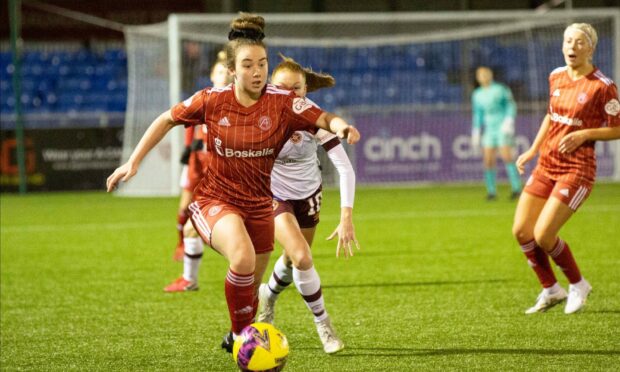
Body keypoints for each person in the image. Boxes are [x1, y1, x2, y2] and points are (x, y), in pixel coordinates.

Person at [106, 12, 360, 353]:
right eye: (247, 65)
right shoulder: (212, 100)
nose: (256, 72)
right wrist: (133, 162)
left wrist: (341, 127)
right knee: (241, 258)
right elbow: (166, 119)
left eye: (262, 64)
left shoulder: (282, 103)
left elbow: (322, 116)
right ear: (233, 69)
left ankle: (237, 332)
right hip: (216, 201)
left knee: (251, 287)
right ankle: (245, 340)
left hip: (259, 206)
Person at [511, 23, 620, 315]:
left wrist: (585, 134)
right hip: (547, 164)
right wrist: (533, 149)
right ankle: (551, 289)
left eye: (580, 42)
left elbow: (618, 128)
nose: (572, 46)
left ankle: (578, 284)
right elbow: (551, 115)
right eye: (568, 41)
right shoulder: (555, 76)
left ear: (591, 48)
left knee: (544, 235)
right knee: (522, 231)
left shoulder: (602, 85)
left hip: (577, 170)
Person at [255, 55, 360, 354]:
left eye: (296, 88)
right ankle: (324, 325)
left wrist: (346, 217)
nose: (289, 94)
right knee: (302, 257)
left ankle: (269, 299)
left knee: (292, 259)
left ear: (305, 91)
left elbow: (345, 168)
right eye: (281, 88)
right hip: (275, 197)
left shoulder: (313, 121)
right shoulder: (261, 119)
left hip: (309, 196)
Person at [172, 51, 231, 262]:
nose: (223, 75)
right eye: (219, 71)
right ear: (212, 76)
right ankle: (181, 244)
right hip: (198, 160)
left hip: (219, 164)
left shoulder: (235, 100)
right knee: (184, 205)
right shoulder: (204, 97)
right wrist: (188, 149)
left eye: (226, 71)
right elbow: (189, 123)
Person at [471, 66, 522, 200]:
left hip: (502, 126)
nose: (483, 77)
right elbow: (478, 113)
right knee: (488, 160)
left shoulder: (500, 89)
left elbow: (510, 105)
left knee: (507, 156)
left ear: (490, 75)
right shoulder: (477, 94)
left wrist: (509, 121)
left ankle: (516, 188)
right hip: (489, 129)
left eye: (485, 74)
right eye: (480, 75)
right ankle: (491, 191)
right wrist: (476, 130)